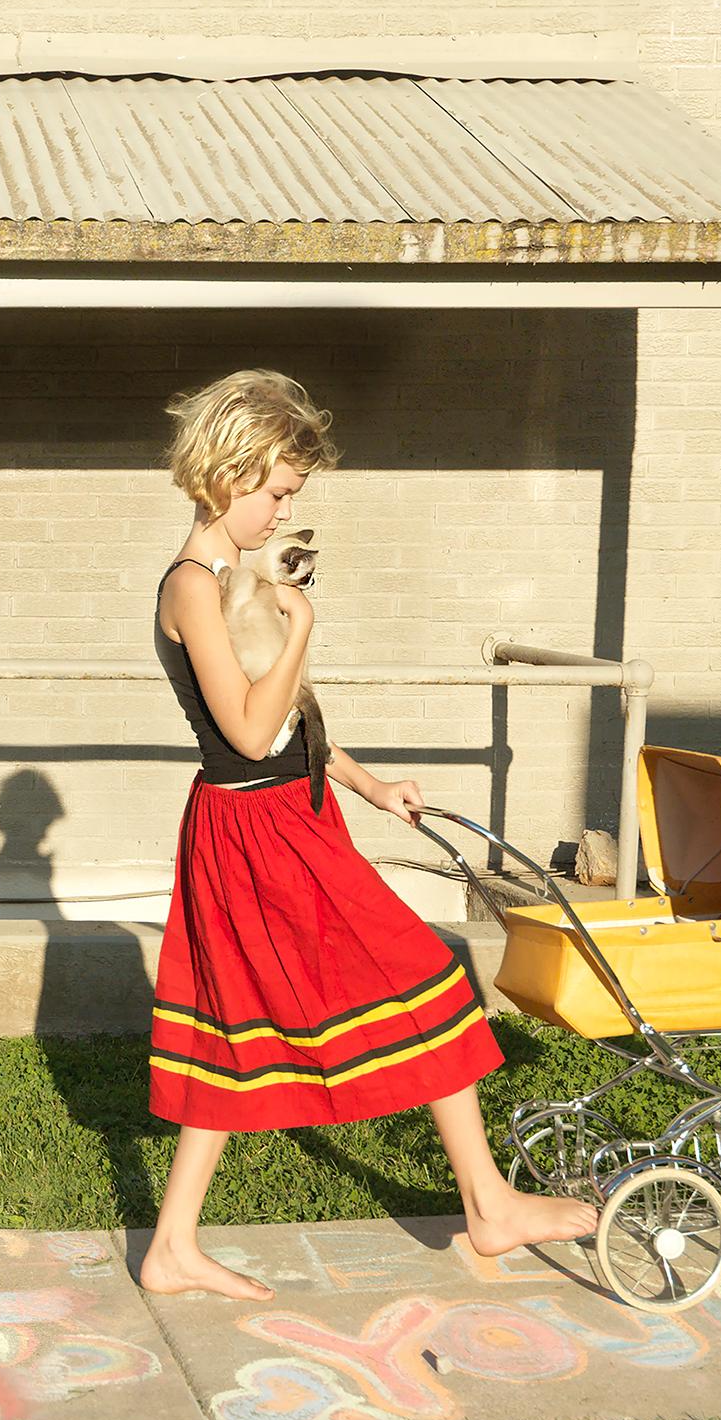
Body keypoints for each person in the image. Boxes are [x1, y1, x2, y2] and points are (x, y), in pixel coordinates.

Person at [138, 369, 597, 1302]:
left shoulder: (231, 578)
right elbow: (246, 730)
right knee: (427, 977)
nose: (281, 510)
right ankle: (490, 1204)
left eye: (289, 494)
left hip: (288, 812)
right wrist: (301, 628)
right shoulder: (192, 586)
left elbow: (291, 724)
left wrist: (366, 780)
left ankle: (173, 1246)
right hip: (259, 830)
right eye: (276, 491)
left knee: (239, 1026)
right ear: (227, 473)